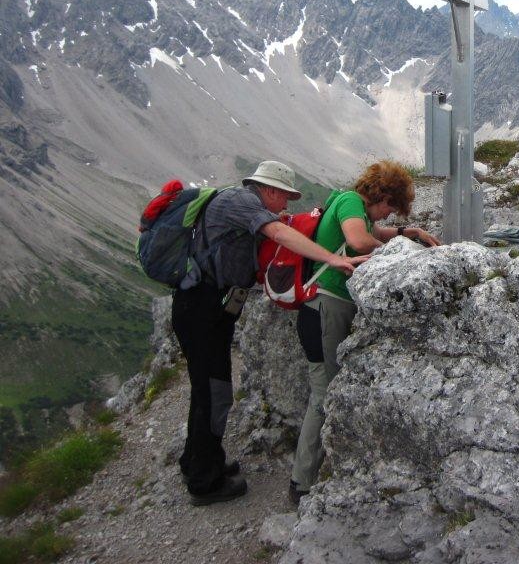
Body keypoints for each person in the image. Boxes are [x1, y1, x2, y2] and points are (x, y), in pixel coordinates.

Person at [174, 160, 364, 506]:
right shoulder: (243, 202)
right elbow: (279, 233)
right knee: (213, 392)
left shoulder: (241, 203)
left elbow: (281, 230)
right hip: (201, 307)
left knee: (209, 388)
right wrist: (331, 259)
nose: (286, 205)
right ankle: (204, 482)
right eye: (285, 197)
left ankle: (200, 461)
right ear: (270, 190)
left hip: (206, 307)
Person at [289, 160, 440, 504]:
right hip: (326, 308)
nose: (388, 215)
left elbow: (370, 233)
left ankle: (309, 474)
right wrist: (399, 251)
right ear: (382, 194)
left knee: (324, 390)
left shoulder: (354, 207)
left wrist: (407, 233)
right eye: (390, 207)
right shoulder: (350, 202)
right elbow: (359, 241)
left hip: (321, 309)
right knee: (323, 394)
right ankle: (302, 483)